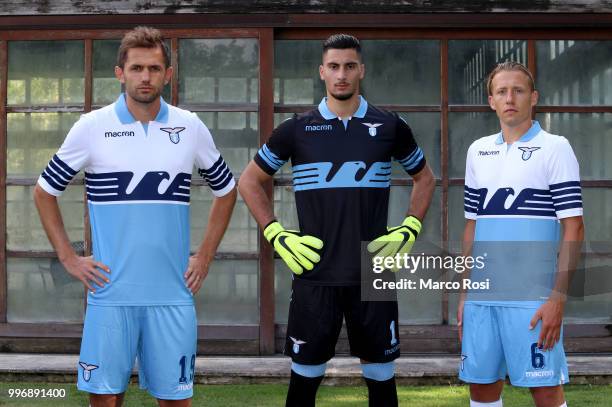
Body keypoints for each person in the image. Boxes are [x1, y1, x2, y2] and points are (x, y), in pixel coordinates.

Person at [33, 26, 236, 407]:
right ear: (120, 72)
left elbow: (226, 191)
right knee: (105, 401)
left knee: (176, 401)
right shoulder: (92, 128)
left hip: (172, 293)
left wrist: (205, 255)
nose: (146, 77)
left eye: (155, 69)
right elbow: (44, 192)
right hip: (111, 294)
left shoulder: (189, 126)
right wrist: (68, 258)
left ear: (168, 75)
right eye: (138, 68)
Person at [238, 34, 435, 407]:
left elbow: (425, 177)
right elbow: (249, 180)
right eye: (333, 66)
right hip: (315, 270)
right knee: (304, 382)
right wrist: (275, 232)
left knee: (381, 380)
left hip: (372, 268)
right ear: (322, 72)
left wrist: (410, 226)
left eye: (348, 66)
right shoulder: (297, 129)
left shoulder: (390, 126)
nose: (341, 74)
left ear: (361, 70)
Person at [457, 61, 584, 407]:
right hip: (483, 297)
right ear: (491, 101)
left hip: (533, 298)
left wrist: (557, 299)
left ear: (534, 98)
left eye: (518, 90)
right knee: (481, 388)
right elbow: (473, 225)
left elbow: (574, 227)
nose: (510, 97)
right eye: (501, 91)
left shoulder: (555, 147)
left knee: (544, 392)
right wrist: (466, 294)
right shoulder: (477, 151)